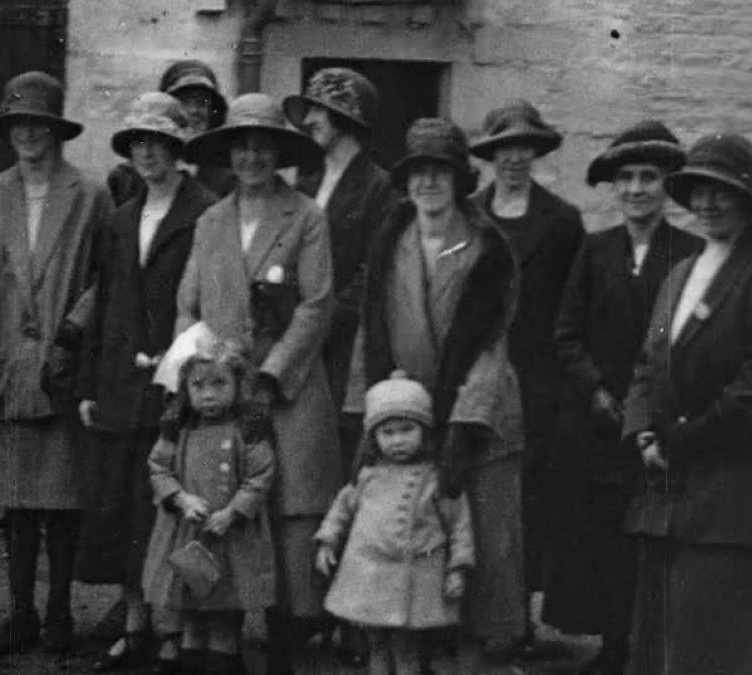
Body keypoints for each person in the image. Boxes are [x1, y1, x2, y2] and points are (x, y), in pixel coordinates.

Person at [343, 118, 524, 674]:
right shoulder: (391, 239)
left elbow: (490, 344)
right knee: (401, 539)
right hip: (403, 414)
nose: (428, 183)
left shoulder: (488, 246)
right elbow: (370, 332)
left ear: (459, 179)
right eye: (419, 171)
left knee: (481, 549)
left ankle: (472, 661)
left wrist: (460, 431)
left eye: (440, 172)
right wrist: (370, 410)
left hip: (478, 412)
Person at [622, 133, 752, 674]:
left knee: (721, 647)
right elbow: (646, 367)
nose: (705, 203)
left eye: (720, 191)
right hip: (667, 501)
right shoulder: (679, 275)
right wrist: (644, 433)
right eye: (696, 190)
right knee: (660, 648)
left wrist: (683, 442)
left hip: (732, 504)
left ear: (748, 201)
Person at [0, 70, 111, 656]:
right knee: (16, 501)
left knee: (61, 500)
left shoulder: (90, 194)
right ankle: (20, 612)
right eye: (18, 123)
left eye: (37, 124)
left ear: (56, 131)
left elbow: (105, 275)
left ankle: (60, 613)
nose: (27, 134)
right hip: (7, 364)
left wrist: (76, 326)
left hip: (60, 361)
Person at [178, 92, 338, 675]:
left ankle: (288, 644)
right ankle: (222, 641)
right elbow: (187, 306)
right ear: (228, 153)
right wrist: (201, 370)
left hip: (285, 391)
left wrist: (272, 372)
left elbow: (318, 305)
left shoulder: (306, 216)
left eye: (263, 147)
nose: (251, 158)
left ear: (280, 153)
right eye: (241, 146)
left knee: (291, 512)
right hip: (223, 395)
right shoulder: (210, 220)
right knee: (226, 506)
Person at [542, 120, 700, 674]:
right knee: (604, 537)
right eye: (626, 178)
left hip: (659, 421)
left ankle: (652, 648)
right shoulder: (596, 249)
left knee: (654, 537)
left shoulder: (690, 253)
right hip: (599, 423)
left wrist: (655, 405)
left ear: (666, 186)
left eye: (648, 178)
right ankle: (612, 646)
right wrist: (596, 391)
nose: (636, 189)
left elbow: (694, 341)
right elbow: (565, 333)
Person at [76, 91, 218, 672]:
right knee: (120, 507)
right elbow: (102, 302)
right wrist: (88, 384)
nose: (147, 153)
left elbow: (210, 301)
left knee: (174, 506)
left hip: (176, 379)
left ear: (177, 148)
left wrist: (188, 368)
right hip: (117, 384)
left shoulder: (205, 211)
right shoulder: (119, 217)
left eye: (158, 142)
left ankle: (177, 629)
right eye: (138, 143)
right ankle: (133, 623)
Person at [467, 100, 583, 652]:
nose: (514, 158)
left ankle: (519, 621)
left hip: (537, 381)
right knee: (474, 493)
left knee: (529, 500)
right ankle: (471, 615)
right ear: (490, 157)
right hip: (477, 375)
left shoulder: (562, 222)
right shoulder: (469, 215)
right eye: (503, 149)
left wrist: (560, 384)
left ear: (536, 154)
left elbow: (571, 308)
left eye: (524, 148)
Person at [316, 371, 474, 675]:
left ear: (424, 432)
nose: (397, 440)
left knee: (406, 650)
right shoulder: (366, 476)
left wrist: (459, 567)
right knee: (375, 644)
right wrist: (327, 541)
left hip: (414, 579)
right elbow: (340, 511)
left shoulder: (437, 479)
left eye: (406, 429)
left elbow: (459, 525)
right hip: (368, 575)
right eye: (387, 432)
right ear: (373, 437)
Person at [283, 67, 400, 463]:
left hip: (347, 342)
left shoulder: (381, 188)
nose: (309, 121)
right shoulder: (305, 186)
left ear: (346, 118)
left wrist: (325, 316)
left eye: (318, 110)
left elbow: (377, 269)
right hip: (301, 340)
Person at [141, 340, 277, 675]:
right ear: (186, 389)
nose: (208, 395)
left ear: (238, 385)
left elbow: (261, 474)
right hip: (187, 535)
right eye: (198, 386)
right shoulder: (179, 430)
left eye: (219, 384)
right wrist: (182, 499)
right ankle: (189, 660)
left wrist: (233, 511)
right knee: (190, 615)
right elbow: (158, 468)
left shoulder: (247, 430)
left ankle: (223, 662)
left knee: (224, 619)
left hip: (231, 538)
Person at [107, 60, 234, 206]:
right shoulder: (126, 178)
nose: (194, 111)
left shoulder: (226, 179)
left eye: (201, 103)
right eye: (184, 102)